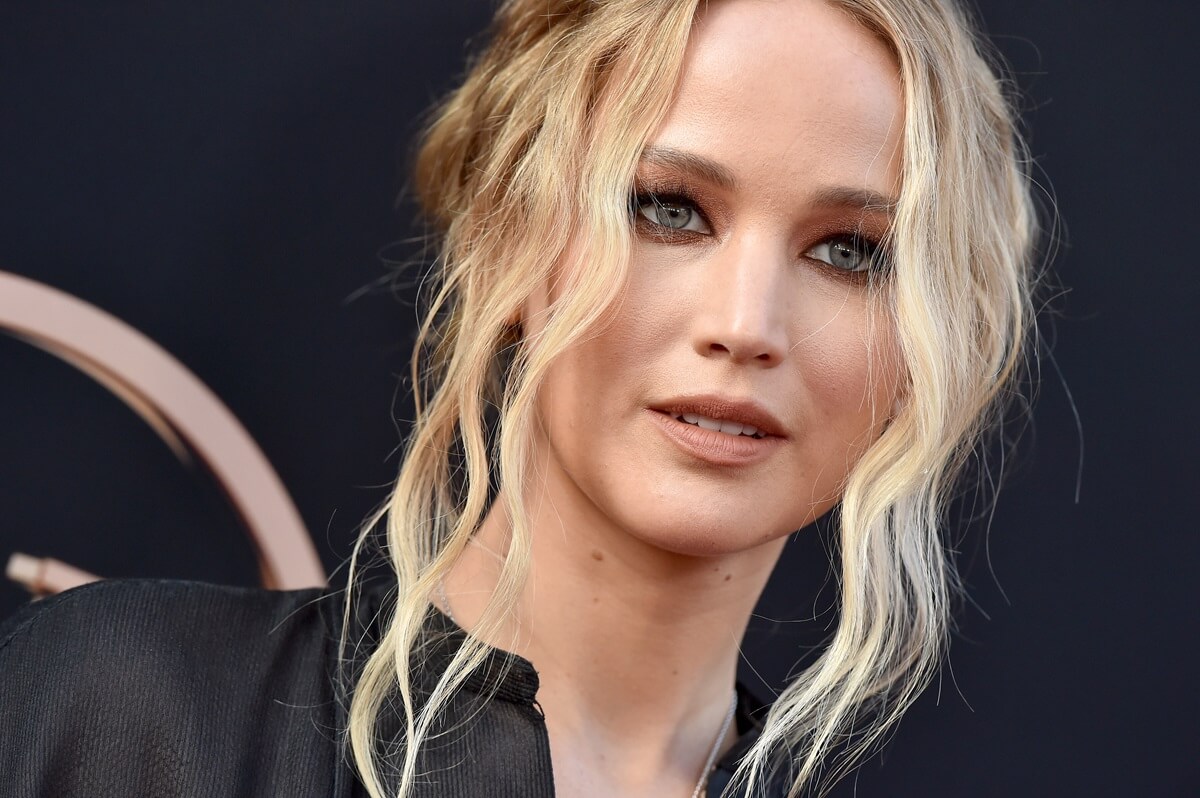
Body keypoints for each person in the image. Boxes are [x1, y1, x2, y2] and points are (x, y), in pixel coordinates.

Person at [0, 0, 1037, 796]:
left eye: (851, 251)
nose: (748, 324)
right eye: (668, 209)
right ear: (508, 238)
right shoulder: (129, 713)